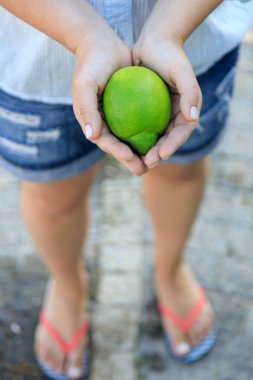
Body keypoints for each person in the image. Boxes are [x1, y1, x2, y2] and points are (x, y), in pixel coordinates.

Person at [0, 0, 252, 378]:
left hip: (195, 38)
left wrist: (169, 29)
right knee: (53, 196)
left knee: (180, 173)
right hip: (37, 57)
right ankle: (68, 285)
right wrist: (85, 36)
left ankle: (169, 268)